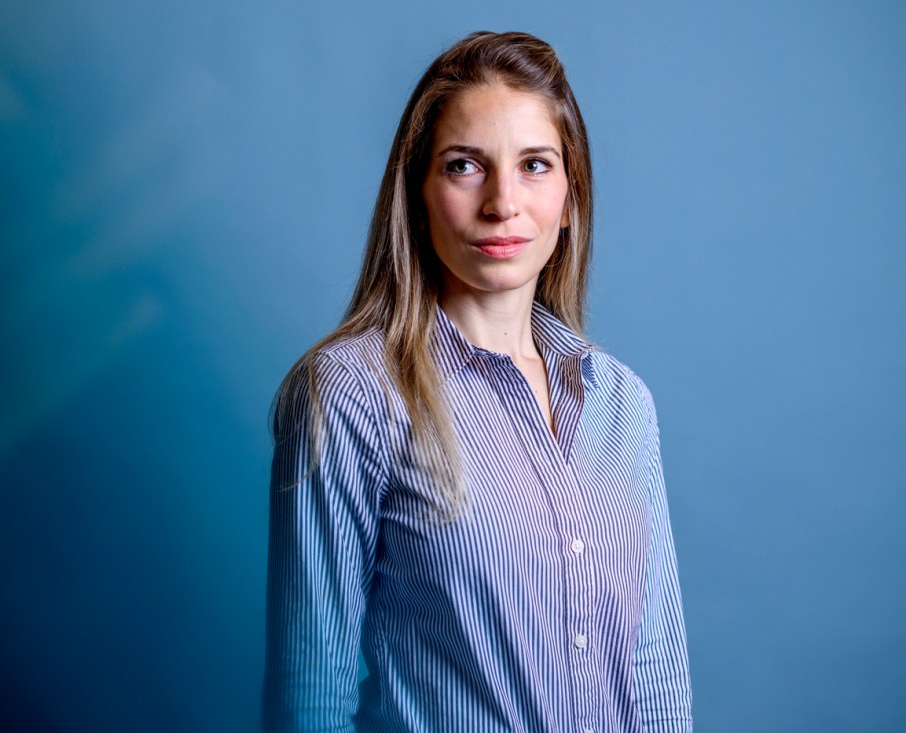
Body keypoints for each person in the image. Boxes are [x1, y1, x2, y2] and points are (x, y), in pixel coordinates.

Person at [263, 31, 693, 733]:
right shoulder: (349, 393)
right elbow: (309, 700)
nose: (503, 202)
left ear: (571, 195)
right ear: (418, 191)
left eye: (534, 165)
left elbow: (658, 688)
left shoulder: (624, 406)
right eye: (465, 165)